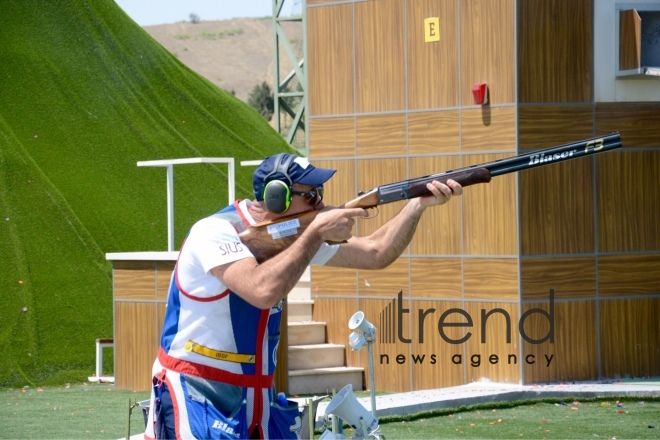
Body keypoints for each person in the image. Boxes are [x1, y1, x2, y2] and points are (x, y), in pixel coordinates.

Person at [144, 153, 463, 439]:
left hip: (256, 400)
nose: (321, 204)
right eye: (310, 195)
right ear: (276, 198)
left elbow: (375, 253)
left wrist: (416, 205)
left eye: (319, 194)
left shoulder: (293, 237)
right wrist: (315, 232)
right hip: (197, 390)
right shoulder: (213, 232)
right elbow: (261, 291)